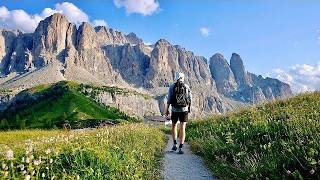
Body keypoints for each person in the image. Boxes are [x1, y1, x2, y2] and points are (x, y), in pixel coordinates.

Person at [165, 72, 192, 154]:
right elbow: (190, 99)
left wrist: (167, 110)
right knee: (183, 127)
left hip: (175, 109)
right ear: (182, 78)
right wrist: (189, 108)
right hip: (184, 109)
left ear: (176, 78)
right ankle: (181, 147)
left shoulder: (172, 87)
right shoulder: (187, 87)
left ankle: (174, 144)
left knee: (174, 125)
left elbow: (169, 99)